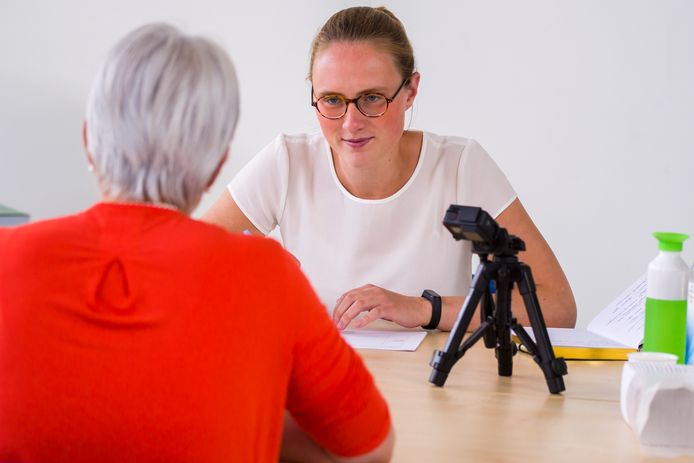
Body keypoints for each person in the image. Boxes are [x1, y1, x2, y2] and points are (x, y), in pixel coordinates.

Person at [0, 23, 393, 463]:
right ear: (216, 164)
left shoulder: (6, 257)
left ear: (89, 141)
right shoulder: (266, 276)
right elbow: (371, 450)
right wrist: (250, 416)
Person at [203, 6, 577, 332]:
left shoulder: (460, 166)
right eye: (332, 100)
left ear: (410, 91)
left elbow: (557, 305)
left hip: (435, 392)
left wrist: (422, 308)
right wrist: (252, 270)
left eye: (371, 98)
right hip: (318, 385)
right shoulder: (287, 161)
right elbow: (183, 265)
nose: (351, 123)